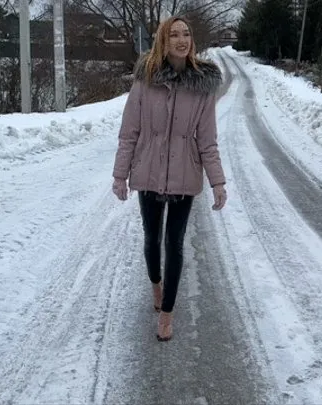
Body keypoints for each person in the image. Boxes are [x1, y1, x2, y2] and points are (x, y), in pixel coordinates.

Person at [111, 16, 227, 342]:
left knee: (174, 243)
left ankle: (167, 313)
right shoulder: (145, 81)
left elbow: (208, 140)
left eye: (186, 34)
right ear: (164, 40)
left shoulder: (202, 86)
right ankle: (156, 284)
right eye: (174, 34)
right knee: (152, 239)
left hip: (184, 174)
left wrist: (218, 182)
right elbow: (129, 134)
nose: (181, 39)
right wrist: (120, 176)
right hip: (147, 173)